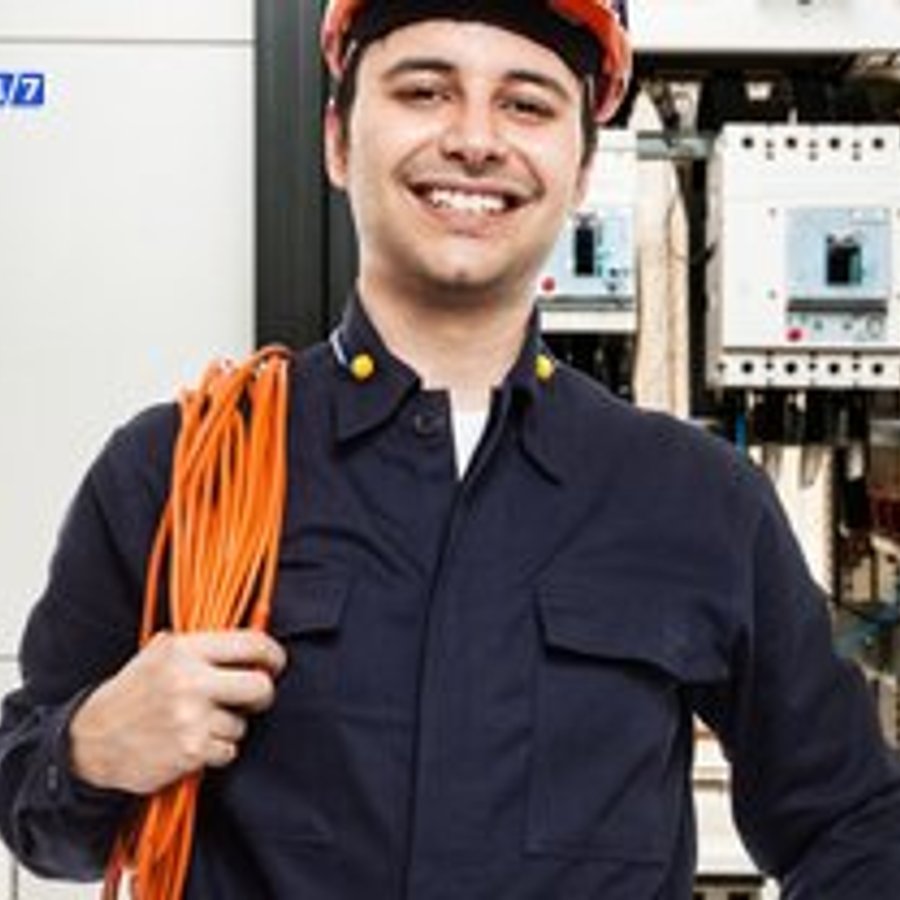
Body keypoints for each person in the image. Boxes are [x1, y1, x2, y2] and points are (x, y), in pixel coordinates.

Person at [2, 1, 899, 897]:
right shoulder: (176, 470)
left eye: (528, 105)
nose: (475, 139)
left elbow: (855, 822)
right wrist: (87, 751)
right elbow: (26, 800)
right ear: (338, 141)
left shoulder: (698, 499)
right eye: (426, 89)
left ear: (583, 166)